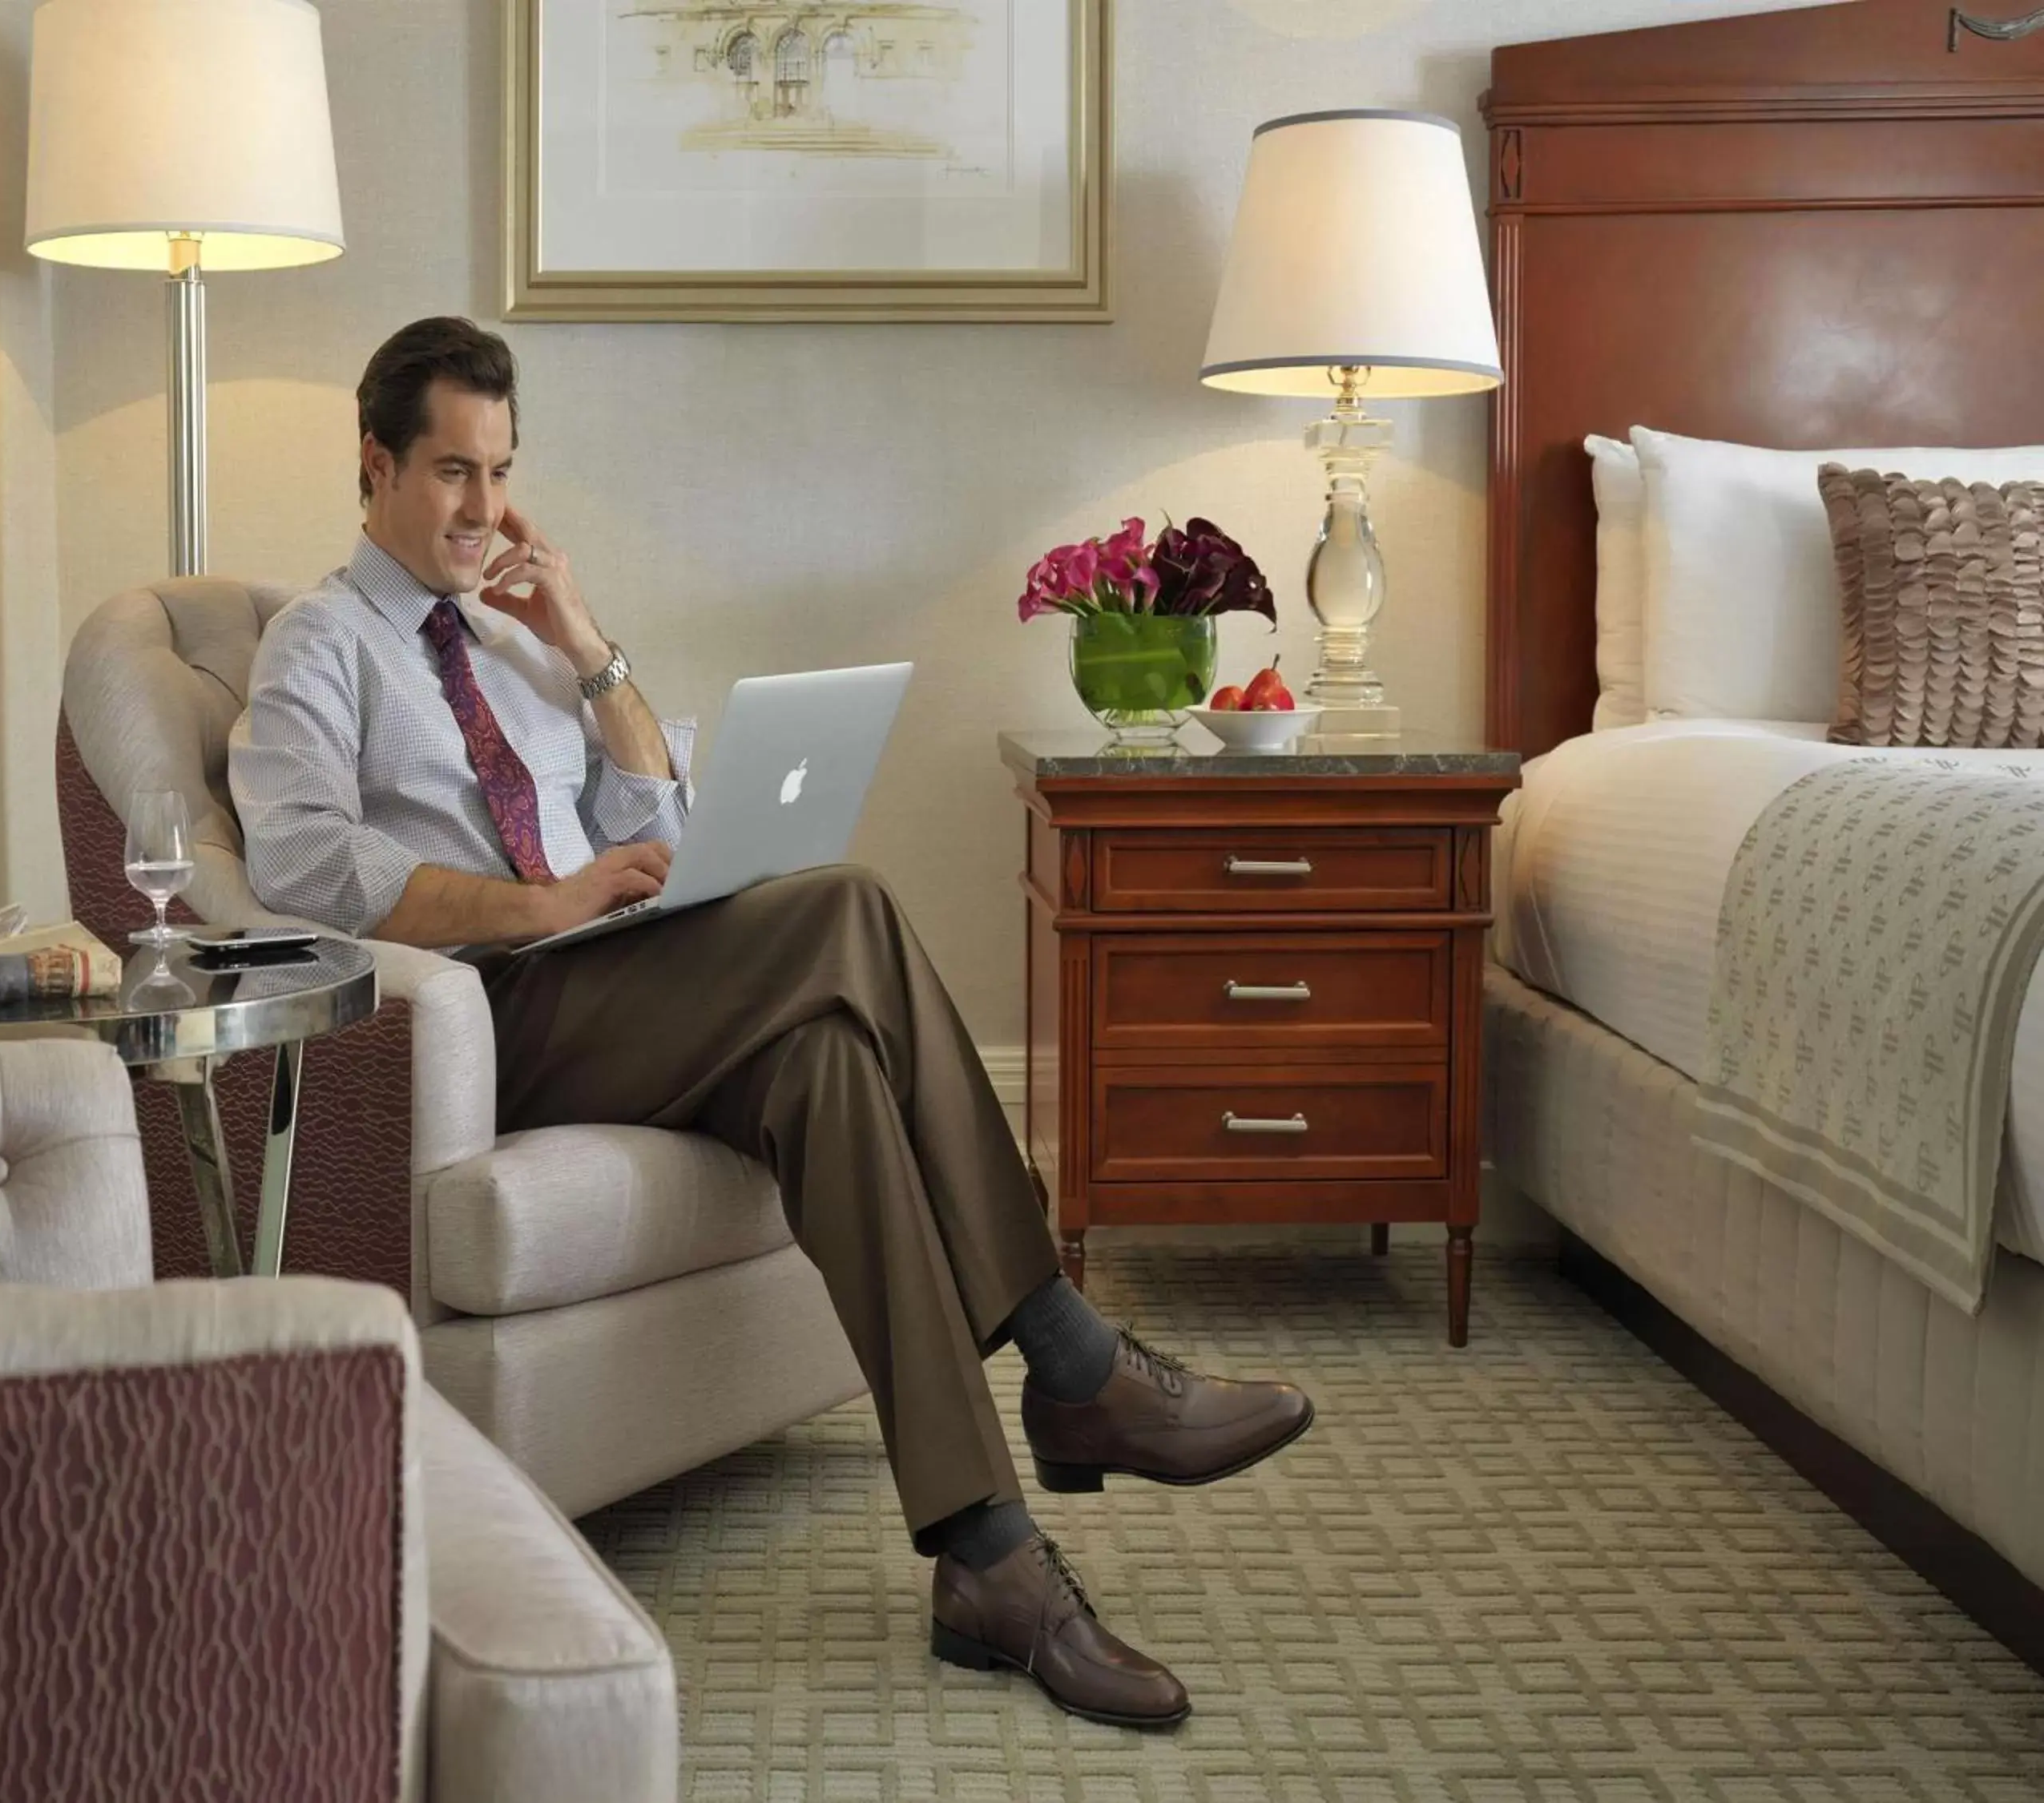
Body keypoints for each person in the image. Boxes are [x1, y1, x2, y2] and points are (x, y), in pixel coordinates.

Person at [228, 317, 1314, 1728]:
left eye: (500, 471)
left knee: (828, 1070)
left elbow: (659, 823)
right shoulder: (319, 644)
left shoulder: (514, 640)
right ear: (372, 465)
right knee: (846, 906)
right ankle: (1067, 1352)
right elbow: (304, 868)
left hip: (623, 977)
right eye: (450, 471)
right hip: (495, 1016)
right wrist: (541, 907)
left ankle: (990, 1560)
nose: (483, 508)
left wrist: (586, 642)